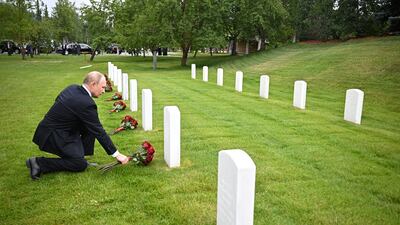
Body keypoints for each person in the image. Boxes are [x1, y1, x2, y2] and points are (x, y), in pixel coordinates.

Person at [26, 71, 129, 180]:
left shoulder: (72, 88)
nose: (104, 91)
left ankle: (79, 157)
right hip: (52, 135)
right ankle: (39, 163)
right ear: (93, 84)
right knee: (79, 165)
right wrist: (117, 155)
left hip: (54, 129)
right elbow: (99, 131)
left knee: (89, 127)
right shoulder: (86, 103)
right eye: (103, 87)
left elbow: (58, 101)